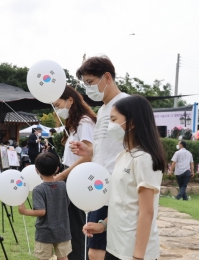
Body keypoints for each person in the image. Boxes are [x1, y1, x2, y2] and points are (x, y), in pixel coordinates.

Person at [78, 95, 165, 260]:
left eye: (113, 119)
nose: (110, 125)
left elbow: (146, 212)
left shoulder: (144, 159)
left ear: (131, 123)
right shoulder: (123, 156)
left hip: (132, 252)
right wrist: (102, 225)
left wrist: (138, 256)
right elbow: (123, 204)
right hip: (115, 246)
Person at [71, 55, 129, 260]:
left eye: (90, 83)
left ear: (107, 77)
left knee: (101, 250)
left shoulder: (125, 104)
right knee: (94, 247)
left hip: (116, 185)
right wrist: (89, 152)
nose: (88, 89)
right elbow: (106, 149)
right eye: (85, 84)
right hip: (99, 186)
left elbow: (133, 146)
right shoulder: (103, 109)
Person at [52, 85, 96, 260]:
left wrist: (63, 175)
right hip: (71, 176)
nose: (56, 109)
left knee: (77, 229)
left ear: (70, 100)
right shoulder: (75, 125)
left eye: (58, 104)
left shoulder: (84, 122)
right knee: (71, 228)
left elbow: (88, 155)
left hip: (78, 179)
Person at [18, 153, 72, 260]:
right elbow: (67, 203)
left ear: (37, 170)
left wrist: (24, 211)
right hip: (63, 230)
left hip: (45, 233)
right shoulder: (63, 185)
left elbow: (41, 211)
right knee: (63, 257)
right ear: (57, 169)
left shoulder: (39, 189)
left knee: (43, 258)